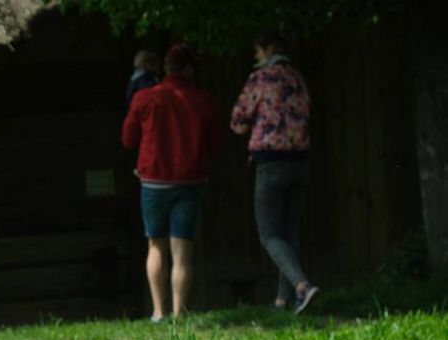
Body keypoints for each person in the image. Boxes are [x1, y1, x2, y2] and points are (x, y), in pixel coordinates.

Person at [122, 44, 221, 322]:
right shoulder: (202, 99)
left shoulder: (145, 98)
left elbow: (128, 139)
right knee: (182, 250)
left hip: (153, 182)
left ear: (165, 68)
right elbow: (214, 144)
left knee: (156, 245)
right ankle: (179, 314)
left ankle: (157, 311)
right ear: (188, 69)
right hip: (190, 182)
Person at [230, 32, 317, 313]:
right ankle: (283, 301)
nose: (255, 57)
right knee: (288, 231)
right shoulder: (297, 78)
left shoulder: (261, 79)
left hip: (270, 162)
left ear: (267, 49)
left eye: (257, 51)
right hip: (300, 161)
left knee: (269, 234)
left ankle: (302, 286)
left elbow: (238, 121)